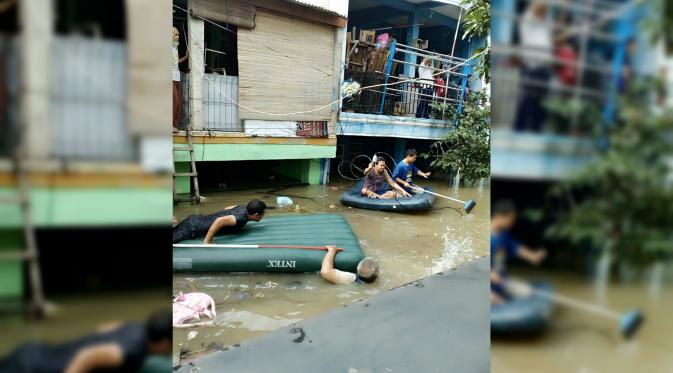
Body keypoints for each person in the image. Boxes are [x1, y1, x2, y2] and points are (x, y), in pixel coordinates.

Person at [0, 309, 172, 373]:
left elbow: (104, 328)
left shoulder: (134, 327)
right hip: (32, 368)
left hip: (34, 352)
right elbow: (86, 356)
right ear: (164, 342)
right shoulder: (129, 351)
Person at [490, 199, 547, 304]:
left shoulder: (504, 234)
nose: (513, 223)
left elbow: (516, 248)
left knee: (528, 292)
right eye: (511, 219)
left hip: (502, 281)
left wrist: (533, 256)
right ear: (500, 216)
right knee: (498, 302)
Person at [513, 1, 552, 132]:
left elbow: (546, 43)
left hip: (543, 67)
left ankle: (536, 128)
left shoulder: (544, 22)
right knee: (528, 99)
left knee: (540, 101)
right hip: (532, 66)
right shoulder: (529, 19)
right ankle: (520, 128)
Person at [173, 199, 267, 244]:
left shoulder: (243, 207)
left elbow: (227, 208)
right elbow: (219, 221)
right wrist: (207, 241)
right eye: (262, 214)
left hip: (197, 220)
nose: (263, 216)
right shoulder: (239, 219)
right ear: (256, 215)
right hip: (193, 228)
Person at [172, 27, 188, 132]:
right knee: (174, 101)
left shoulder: (174, 48)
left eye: (178, 35)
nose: (178, 37)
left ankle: (175, 125)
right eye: (175, 34)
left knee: (178, 101)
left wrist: (186, 57)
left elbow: (175, 62)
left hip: (176, 77)